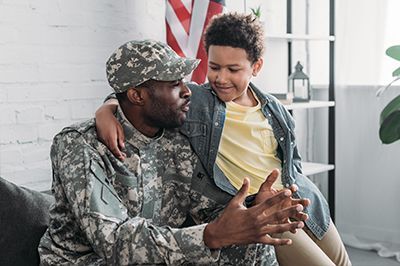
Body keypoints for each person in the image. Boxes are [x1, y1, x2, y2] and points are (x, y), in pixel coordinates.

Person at [96, 13, 352, 266]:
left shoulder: (276, 110)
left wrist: (293, 193)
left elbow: (292, 164)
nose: (221, 78)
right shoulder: (196, 101)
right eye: (215, 67)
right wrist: (106, 109)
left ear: (256, 67)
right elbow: (136, 94)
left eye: (233, 69)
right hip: (259, 211)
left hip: (304, 201)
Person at [38, 39, 310, 266]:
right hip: (86, 260)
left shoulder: (176, 142)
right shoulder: (79, 145)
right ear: (137, 96)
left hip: (158, 253)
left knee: (254, 248)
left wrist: (254, 208)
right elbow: (113, 241)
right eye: (173, 84)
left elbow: (207, 209)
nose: (187, 91)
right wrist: (210, 237)